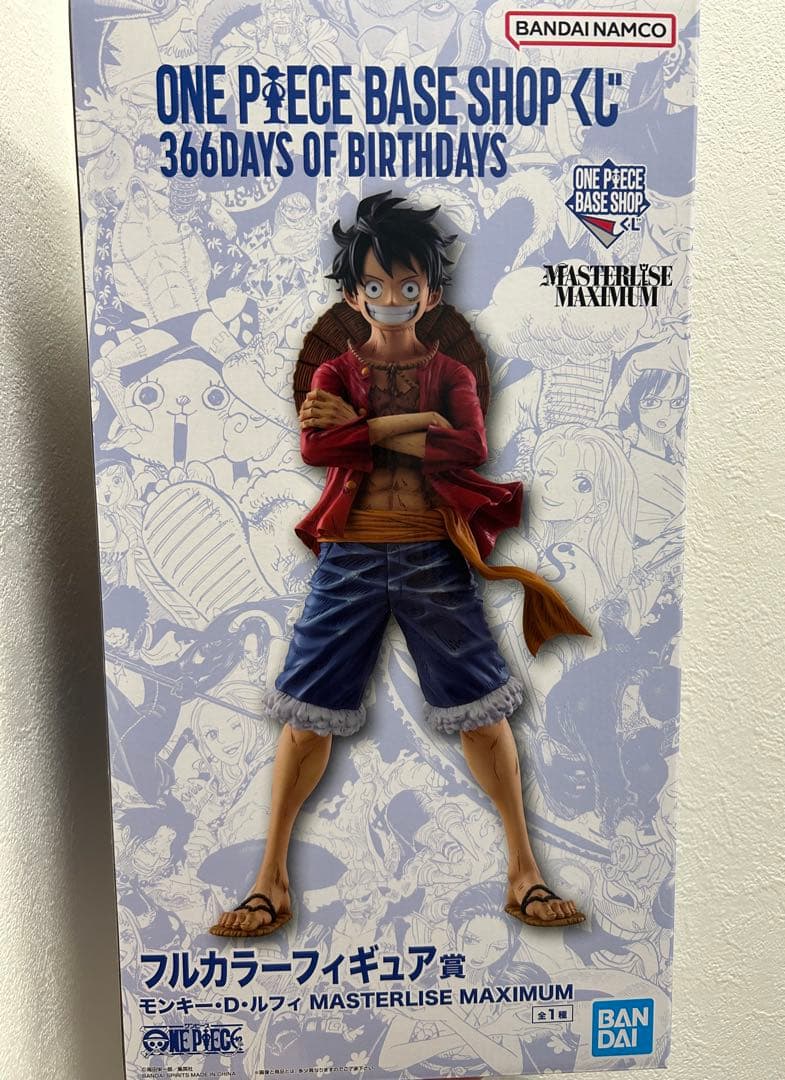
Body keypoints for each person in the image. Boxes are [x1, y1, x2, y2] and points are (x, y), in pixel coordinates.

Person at [210, 193, 589, 938]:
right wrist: (413, 422)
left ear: (431, 294)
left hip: (433, 553)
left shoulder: (452, 373)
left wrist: (367, 428)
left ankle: (524, 871)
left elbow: (469, 446)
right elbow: (318, 448)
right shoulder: (334, 374)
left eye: (407, 284)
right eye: (376, 285)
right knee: (307, 716)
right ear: (353, 295)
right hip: (348, 556)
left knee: (483, 711)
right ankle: (270, 881)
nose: (391, 297)